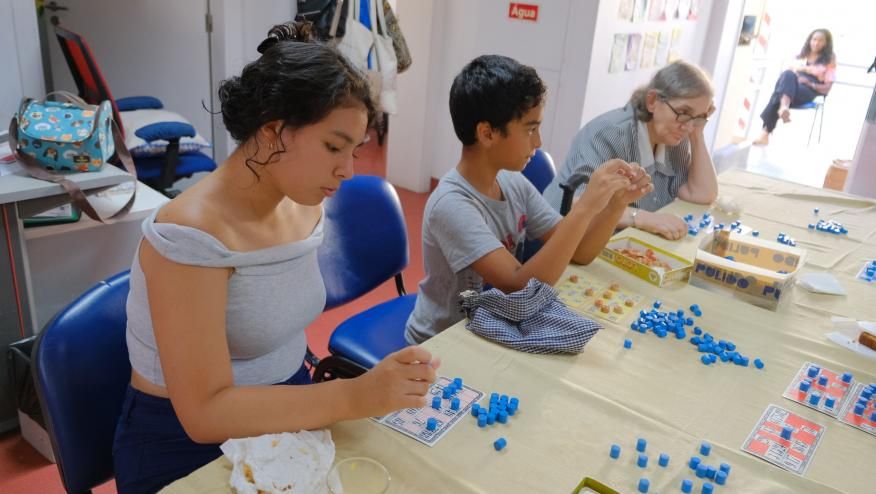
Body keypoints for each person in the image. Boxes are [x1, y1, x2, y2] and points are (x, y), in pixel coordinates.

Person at [113, 22, 438, 493]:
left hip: (289, 412)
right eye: (333, 147)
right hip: (187, 447)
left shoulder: (301, 202)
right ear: (271, 132)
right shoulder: (190, 236)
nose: (347, 171)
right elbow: (205, 415)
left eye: (354, 150)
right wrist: (354, 394)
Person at [404, 55, 653, 344]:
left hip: (493, 324)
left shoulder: (512, 182)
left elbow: (579, 252)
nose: (538, 142)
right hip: (444, 340)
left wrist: (615, 204)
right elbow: (518, 286)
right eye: (530, 129)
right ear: (487, 134)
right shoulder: (451, 205)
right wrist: (585, 207)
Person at [545, 60, 718, 241]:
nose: (688, 127)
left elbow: (701, 194)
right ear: (652, 101)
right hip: (561, 240)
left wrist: (697, 134)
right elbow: (577, 203)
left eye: (698, 117)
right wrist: (643, 218)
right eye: (683, 112)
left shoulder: (675, 135)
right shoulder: (609, 134)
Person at [753, 28, 836, 146]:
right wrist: (796, 75)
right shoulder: (801, 55)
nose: (816, 43)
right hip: (792, 86)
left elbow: (827, 88)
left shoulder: (829, 60)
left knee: (778, 95)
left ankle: (766, 132)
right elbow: (789, 71)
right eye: (814, 39)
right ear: (810, 40)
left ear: (826, 43)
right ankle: (784, 107)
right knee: (787, 74)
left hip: (808, 90)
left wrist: (809, 83)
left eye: (821, 41)